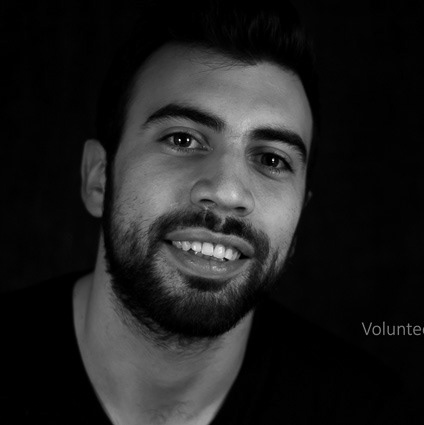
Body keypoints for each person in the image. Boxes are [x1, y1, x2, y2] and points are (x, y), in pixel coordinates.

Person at [0, 1, 401, 424]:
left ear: (300, 213)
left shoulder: (369, 411)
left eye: (271, 160)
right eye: (183, 139)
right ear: (99, 178)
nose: (227, 192)